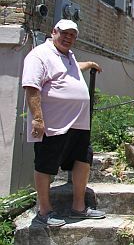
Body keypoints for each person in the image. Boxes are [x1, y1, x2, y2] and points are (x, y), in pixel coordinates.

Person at [22, 19, 106, 227]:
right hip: (52, 124)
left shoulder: (68, 56)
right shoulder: (39, 55)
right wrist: (38, 119)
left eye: (72, 35)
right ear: (54, 32)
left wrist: (90, 64)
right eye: (64, 33)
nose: (68, 38)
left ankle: (78, 207)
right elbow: (32, 87)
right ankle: (44, 210)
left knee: (83, 159)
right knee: (45, 164)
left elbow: (71, 69)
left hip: (78, 123)